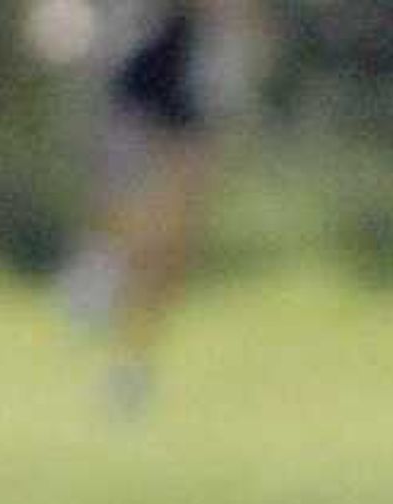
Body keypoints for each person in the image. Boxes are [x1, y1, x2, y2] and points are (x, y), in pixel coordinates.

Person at [61, 0, 262, 414]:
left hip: (197, 89)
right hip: (139, 72)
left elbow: (244, 21)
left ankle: (132, 364)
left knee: (171, 248)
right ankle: (102, 263)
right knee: (123, 198)